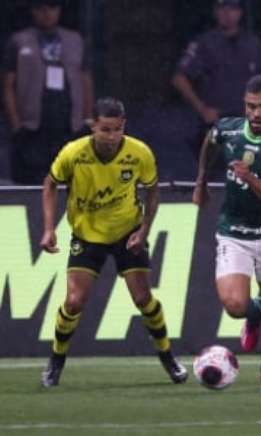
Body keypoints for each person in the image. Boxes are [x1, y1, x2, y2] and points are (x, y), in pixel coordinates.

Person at [39, 97, 187, 388]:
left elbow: (153, 192)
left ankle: (168, 358)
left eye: (116, 129)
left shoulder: (139, 153)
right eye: (105, 129)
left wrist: (144, 230)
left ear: (124, 126)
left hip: (126, 233)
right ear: (93, 125)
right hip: (87, 234)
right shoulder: (73, 153)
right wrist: (48, 228)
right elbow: (50, 183)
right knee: (73, 302)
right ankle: (56, 361)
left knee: (143, 298)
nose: (111, 136)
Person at [193, 75, 261, 391]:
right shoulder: (228, 129)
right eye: (251, 107)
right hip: (234, 233)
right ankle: (253, 315)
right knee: (235, 305)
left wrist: (249, 177)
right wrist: (201, 180)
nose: (256, 114)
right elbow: (209, 143)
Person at [2, 0, 93, 185]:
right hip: (32, 127)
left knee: (72, 181)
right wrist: (16, 124)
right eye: (41, 9)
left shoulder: (75, 40)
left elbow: (85, 81)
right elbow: (8, 85)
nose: (47, 13)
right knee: (32, 183)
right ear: (33, 11)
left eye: (52, 8)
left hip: (69, 125)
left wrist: (87, 119)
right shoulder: (19, 41)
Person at [172, 0, 261, 159]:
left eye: (232, 9)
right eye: (223, 8)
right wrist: (202, 109)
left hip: (247, 123)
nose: (227, 14)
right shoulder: (204, 43)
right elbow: (179, 78)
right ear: (215, 12)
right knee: (213, 178)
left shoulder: (252, 43)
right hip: (216, 123)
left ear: (240, 13)